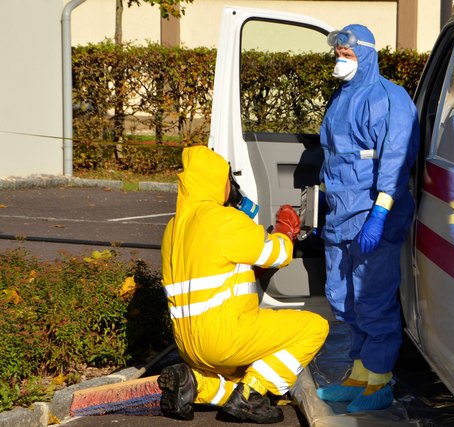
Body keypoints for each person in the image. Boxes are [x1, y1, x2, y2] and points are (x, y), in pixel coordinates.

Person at [158, 145, 329, 424]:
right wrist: (286, 231)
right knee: (314, 328)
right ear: (217, 181)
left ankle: (196, 384)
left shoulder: (174, 228)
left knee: (241, 372)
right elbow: (279, 254)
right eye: (228, 179)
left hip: (190, 346)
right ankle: (252, 394)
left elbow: (228, 268)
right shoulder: (223, 220)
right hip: (224, 337)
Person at [315, 24, 420, 412]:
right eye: (338, 55)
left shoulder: (389, 99)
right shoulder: (342, 96)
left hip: (372, 216)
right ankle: (359, 373)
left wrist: (379, 214)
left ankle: (379, 379)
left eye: (347, 55)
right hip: (341, 215)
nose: (340, 62)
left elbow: (395, 159)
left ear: (367, 56)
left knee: (373, 298)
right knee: (343, 298)